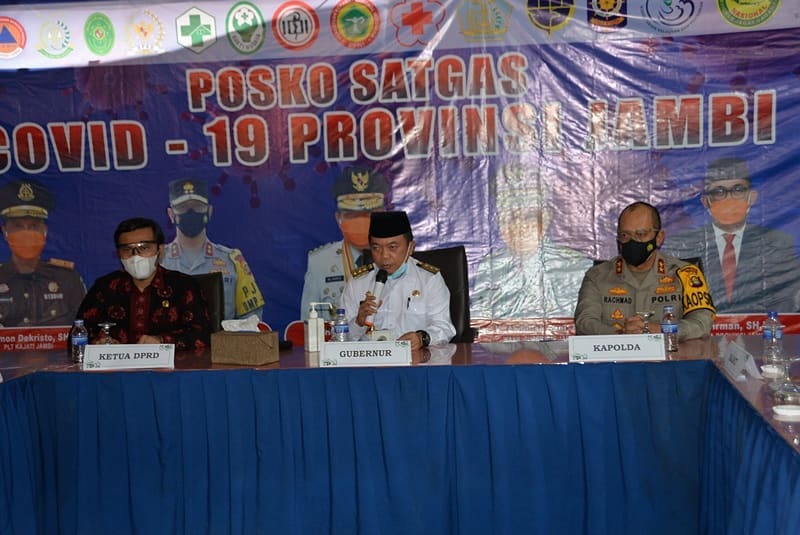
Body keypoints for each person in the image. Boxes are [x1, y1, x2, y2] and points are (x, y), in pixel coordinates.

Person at [664, 157, 800, 313]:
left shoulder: (778, 243)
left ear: (752, 197)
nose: (729, 198)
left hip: (758, 327)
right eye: (719, 192)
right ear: (705, 201)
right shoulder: (682, 245)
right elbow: (672, 301)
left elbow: (786, 300)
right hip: (699, 327)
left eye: (738, 190)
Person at [574, 201, 715, 339]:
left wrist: (662, 330)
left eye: (641, 234)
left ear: (659, 238)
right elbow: (584, 323)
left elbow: (702, 323)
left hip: (671, 354)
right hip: (617, 353)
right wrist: (621, 334)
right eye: (625, 235)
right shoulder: (597, 276)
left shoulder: (686, 274)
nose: (632, 241)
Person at [471, 161, 592, 318]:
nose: (519, 226)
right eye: (510, 217)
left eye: (528, 216)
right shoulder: (490, 266)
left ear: (546, 218)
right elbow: (479, 318)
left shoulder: (577, 267)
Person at [77, 217, 211, 350]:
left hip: (171, 363)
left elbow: (203, 335)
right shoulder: (105, 287)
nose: (136, 256)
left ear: (160, 250)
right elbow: (79, 333)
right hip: (117, 363)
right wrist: (99, 343)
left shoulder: (183, 286)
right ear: (118, 254)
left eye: (144, 247)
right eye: (127, 249)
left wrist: (162, 341)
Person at [341, 211, 456, 349]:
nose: (384, 256)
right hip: (369, 358)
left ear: (410, 247)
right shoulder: (358, 282)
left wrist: (421, 338)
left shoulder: (429, 279)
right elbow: (341, 338)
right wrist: (358, 322)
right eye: (376, 248)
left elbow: (444, 327)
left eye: (392, 247)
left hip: (414, 358)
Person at [161, 178, 264, 320]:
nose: (191, 212)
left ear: (209, 211)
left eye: (198, 206)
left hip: (222, 335)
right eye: (183, 207)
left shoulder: (233, 260)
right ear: (171, 214)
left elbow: (252, 318)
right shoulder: (158, 260)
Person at [300, 166, 388, 319]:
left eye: (369, 215)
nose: (361, 222)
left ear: (383, 215)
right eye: (352, 215)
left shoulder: (396, 258)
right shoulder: (320, 262)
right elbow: (309, 324)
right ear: (338, 218)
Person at [0, 179, 85, 326]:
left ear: (44, 231)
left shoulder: (67, 279)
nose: (26, 233)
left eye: (33, 226)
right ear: (5, 231)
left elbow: (86, 327)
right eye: (18, 226)